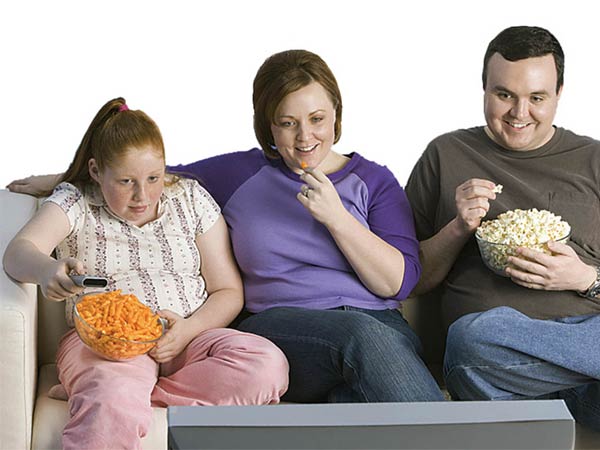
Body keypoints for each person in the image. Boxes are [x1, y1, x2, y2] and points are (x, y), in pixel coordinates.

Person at [7, 51, 445, 404]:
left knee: (357, 383)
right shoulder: (240, 174)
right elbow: (154, 175)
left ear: (336, 116)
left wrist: (337, 217)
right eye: (287, 123)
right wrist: (69, 178)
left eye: (317, 119)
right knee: (360, 339)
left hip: (379, 332)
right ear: (268, 126)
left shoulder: (374, 181)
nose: (304, 137)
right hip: (282, 327)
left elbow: (398, 282)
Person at [3, 97, 289, 450]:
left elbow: (228, 290)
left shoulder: (190, 198)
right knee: (113, 387)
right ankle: (108, 395)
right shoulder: (76, 201)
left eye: (154, 178)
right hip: (106, 347)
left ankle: (116, 398)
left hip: (188, 337)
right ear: (96, 171)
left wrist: (189, 330)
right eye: (126, 181)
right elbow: (18, 253)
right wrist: (47, 269)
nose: (142, 195)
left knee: (267, 365)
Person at [405, 26, 600, 429]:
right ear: (484, 88)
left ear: (559, 94)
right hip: (489, 351)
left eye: (537, 98)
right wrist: (458, 227)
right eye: (504, 95)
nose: (519, 113)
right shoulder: (446, 154)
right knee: (470, 340)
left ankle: (556, 396)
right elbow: (409, 279)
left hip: (587, 332)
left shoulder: (593, 160)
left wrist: (585, 278)